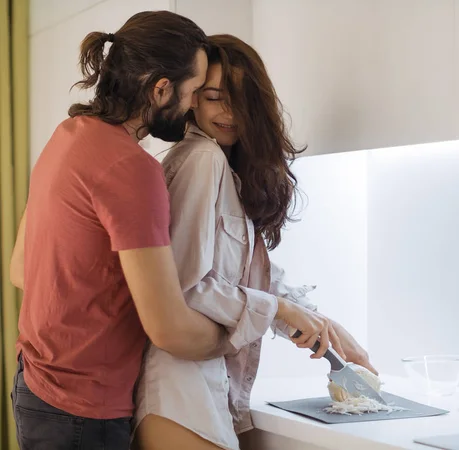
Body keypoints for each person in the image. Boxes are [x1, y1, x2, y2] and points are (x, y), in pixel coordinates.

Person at [9, 12, 334, 450]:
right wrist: (261, 319)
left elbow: (21, 271)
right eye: (198, 92)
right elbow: (171, 330)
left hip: (37, 383)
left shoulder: (68, 135)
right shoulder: (134, 169)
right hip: (86, 403)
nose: (197, 105)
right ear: (162, 88)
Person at [133, 34, 377, 450]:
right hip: (178, 395)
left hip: (198, 394)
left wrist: (321, 325)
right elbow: (188, 289)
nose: (229, 113)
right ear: (192, 99)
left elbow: (246, 275)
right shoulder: (201, 160)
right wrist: (280, 309)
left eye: (241, 100)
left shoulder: (222, 166)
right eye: (214, 97)